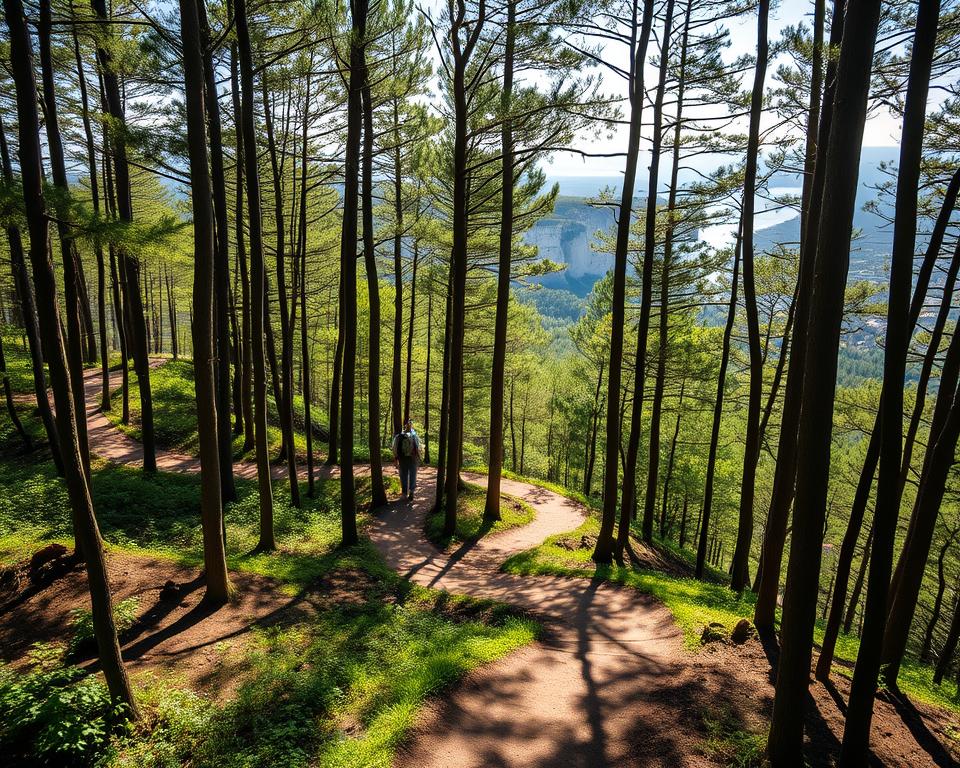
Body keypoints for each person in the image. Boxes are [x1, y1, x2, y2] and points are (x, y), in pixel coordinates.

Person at [391, 418, 422, 501]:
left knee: (403, 475)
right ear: (411, 426)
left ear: (404, 427)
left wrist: (396, 458)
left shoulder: (399, 436)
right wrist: (419, 457)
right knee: (413, 475)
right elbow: (419, 448)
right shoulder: (414, 436)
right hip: (413, 458)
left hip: (402, 458)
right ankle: (411, 491)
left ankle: (404, 493)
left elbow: (394, 448)